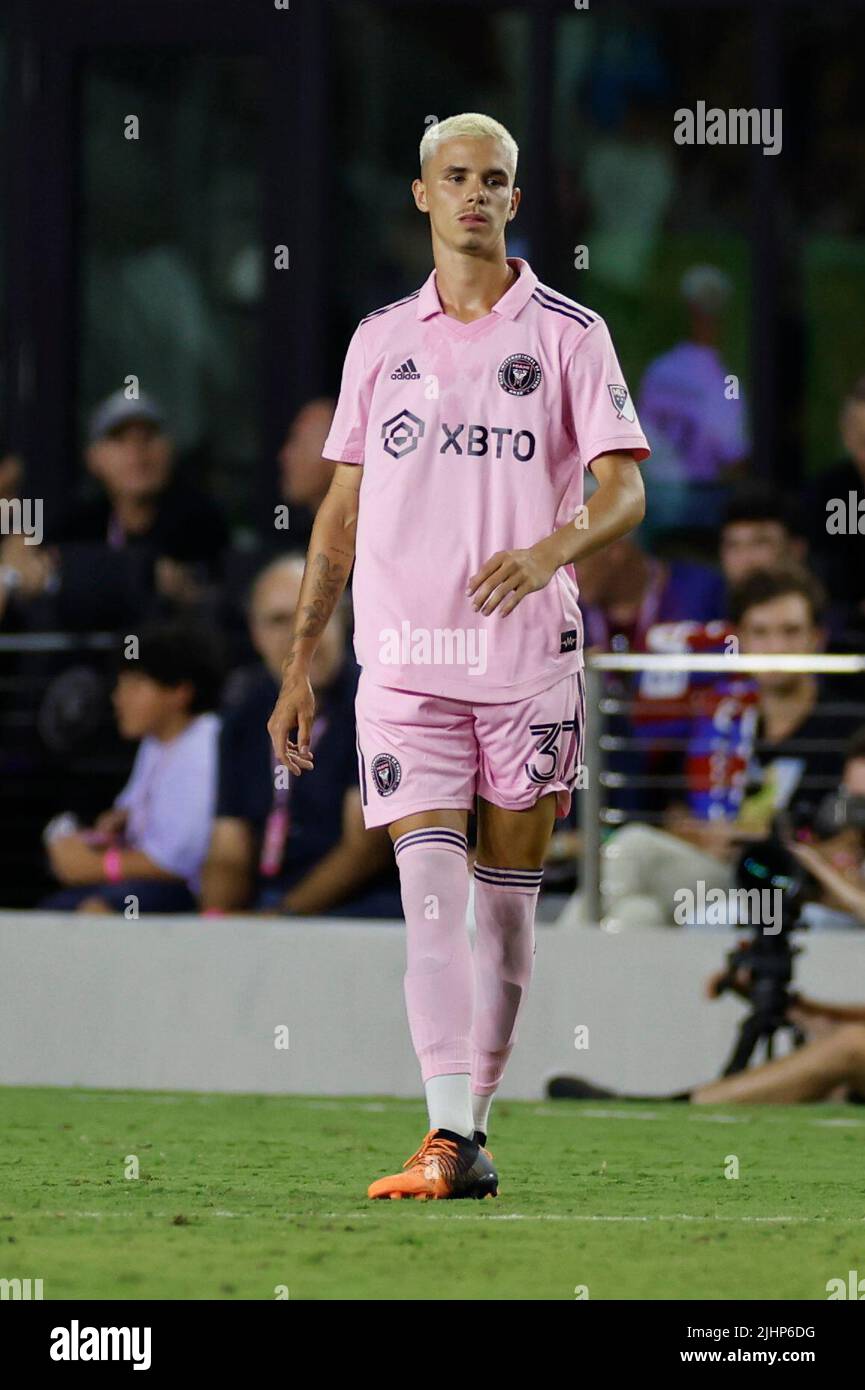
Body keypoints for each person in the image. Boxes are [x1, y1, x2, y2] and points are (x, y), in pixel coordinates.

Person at [267, 112, 650, 1200]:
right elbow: (338, 515)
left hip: (526, 663)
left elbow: (624, 489)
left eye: (493, 180)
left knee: (507, 914)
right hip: (403, 666)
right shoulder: (380, 339)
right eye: (454, 177)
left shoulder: (570, 333)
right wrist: (304, 663)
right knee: (428, 896)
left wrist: (548, 550)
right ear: (422, 195)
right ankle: (446, 1136)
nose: (474, 194)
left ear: (514, 202)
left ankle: (470, 1128)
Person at [597, 567, 865, 927]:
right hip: (718, 872)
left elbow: (850, 839)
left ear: (816, 639)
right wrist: (698, 834)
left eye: (790, 632)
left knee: (634, 882)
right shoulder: (720, 716)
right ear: (740, 640)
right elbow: (673, 812)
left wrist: (777, 839)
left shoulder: (850, 726)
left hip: (798, 886)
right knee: (633, 904)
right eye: (761, 633)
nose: (776, 649)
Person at [200, 557, 396, 916]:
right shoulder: (244, 715)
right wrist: (218, 919)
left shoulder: (378, 703)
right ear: (255, 634)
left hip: (359, 906)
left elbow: (366, 849)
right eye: (278, 621)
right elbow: (229, 848)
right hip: (270, 905)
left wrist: (281, 919)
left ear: (344, 618)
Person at [41, 624, 222, 913]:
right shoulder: (155, 741)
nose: (118, 698)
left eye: (135, 685)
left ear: (179, 692)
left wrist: (93, 866)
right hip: (144, 881)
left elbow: (177, 864)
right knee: (51, 911)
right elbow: (130, 808)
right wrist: (114, 823)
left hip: (184, 893)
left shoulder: (203, 750)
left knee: (95, 911)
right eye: (120, 684)